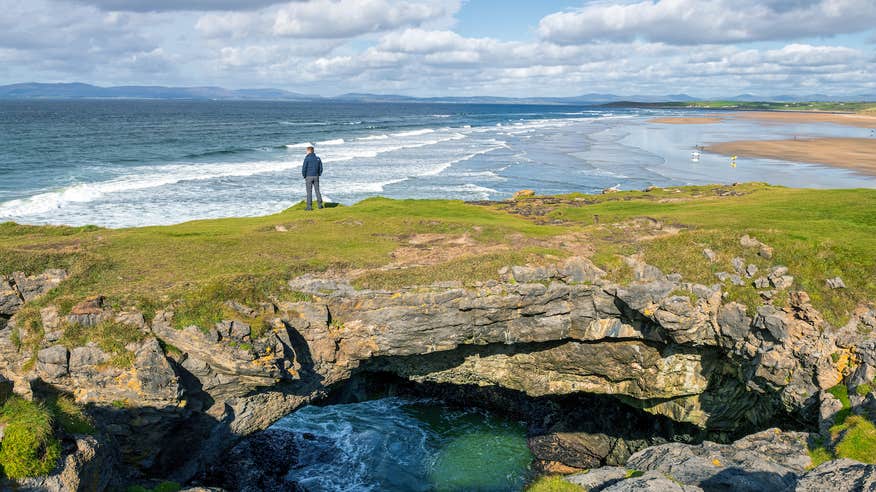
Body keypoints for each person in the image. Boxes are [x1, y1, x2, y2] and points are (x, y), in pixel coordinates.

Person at [301, 145, 323, 210]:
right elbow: (321, 168)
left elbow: (304, 168)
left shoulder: (307, 158)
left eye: (306, 151)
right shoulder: (318, 158)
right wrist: (319, 174)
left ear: (309, 151)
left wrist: (304, 176)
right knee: (317, 190)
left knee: (309, 192)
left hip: (309, 176)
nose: (306, 152)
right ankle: (320, 205)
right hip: (316, 176)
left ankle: (309, 207)